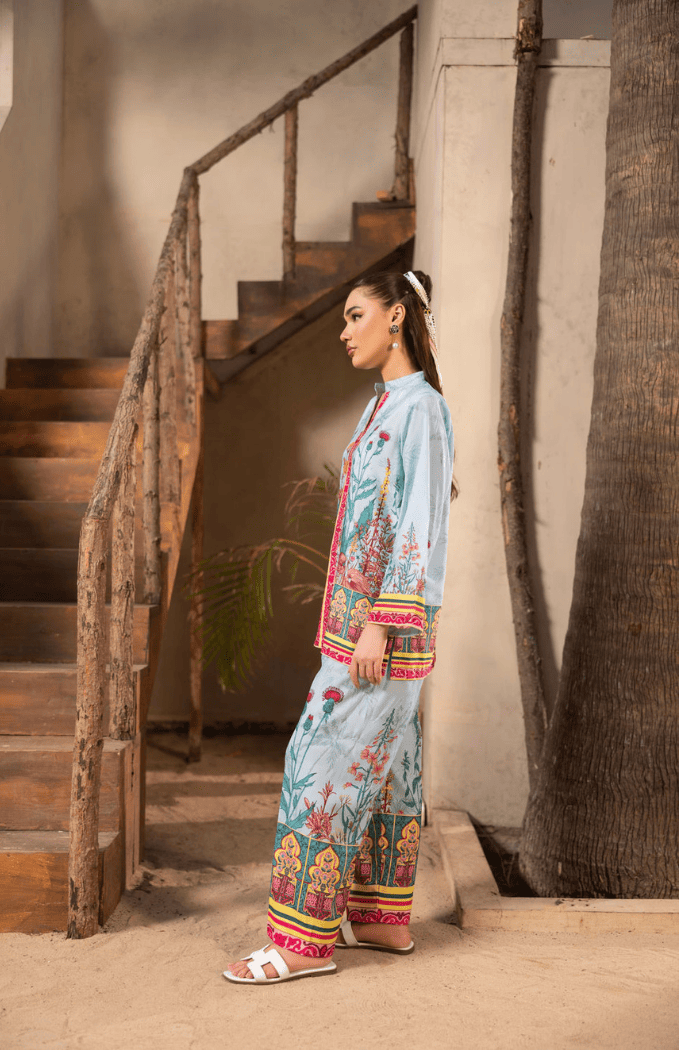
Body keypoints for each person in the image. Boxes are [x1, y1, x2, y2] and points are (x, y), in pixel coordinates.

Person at [224, 269, 455, 984]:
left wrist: (383, 624)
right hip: (360, 629)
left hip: (379, 632)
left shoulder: (420, 409)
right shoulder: (385, 403)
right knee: (386, 769)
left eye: (357, 316)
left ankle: (299, 944)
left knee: (319, 764)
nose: (344, 331)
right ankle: (382, 922)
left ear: (396, 318)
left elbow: (420, 524)